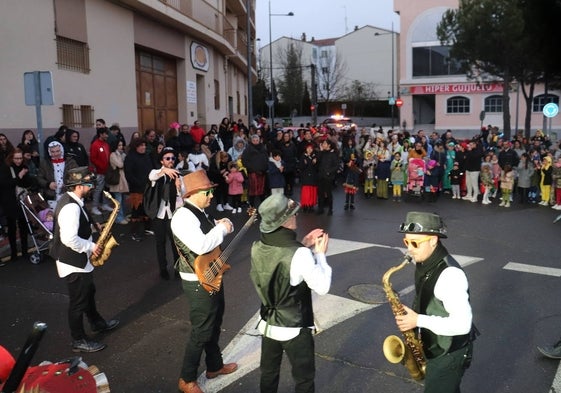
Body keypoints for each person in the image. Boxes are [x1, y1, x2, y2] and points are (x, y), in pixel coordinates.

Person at [249, 193, 331, 393]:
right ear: (284, 221)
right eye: (293, 213)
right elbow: (322, 286)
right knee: (304, 379)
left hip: (268, 323)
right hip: (294, 326)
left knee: (268, 374)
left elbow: (279, 265)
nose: (297, 216)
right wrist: (320, 254)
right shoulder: (299, 254)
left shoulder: (258, 246)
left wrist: (302, 243)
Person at [171, 170, 237, 393]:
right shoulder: (183, 216)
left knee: (214, 322)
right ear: (194, 193)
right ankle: (186, 379)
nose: (211, 196)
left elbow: (211, 235)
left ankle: (214, 366)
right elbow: (201, 246)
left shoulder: (198, 211)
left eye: (211, 191)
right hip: (197, 280)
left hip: (211, 275)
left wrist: (220, 225)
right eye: (207, 192)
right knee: (201, 330)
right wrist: (221, 228)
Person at [396, 211, 475, 393]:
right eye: (406, 242)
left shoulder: (450, 275)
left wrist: (418, 321)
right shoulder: (426, 261)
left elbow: (463, 325)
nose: (409, 249)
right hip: (436, 345)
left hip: (449, 353)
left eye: (415, 243)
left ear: (433, 240)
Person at [50, 167, 119, 353]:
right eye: (89, 184)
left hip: (79, 259)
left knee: (88, 292)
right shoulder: (71, 207)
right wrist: (92, 247)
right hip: (73, 261)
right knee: (78, 302)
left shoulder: (74, 200)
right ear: (79, 186)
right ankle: (78, 339)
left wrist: (92, 225)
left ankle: (96, 323)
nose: (91, 187)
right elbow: (69, 239)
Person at [147, 147, 180, 280]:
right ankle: (163, 269)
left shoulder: (178, 175)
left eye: (172, 158)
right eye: (167, 158)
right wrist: (164, 170)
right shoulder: (157, 172)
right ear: (162, 161)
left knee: (175, 243)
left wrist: (179, 188)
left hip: (173, 214)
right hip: (159, 214)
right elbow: (151, 176)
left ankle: (178, 268)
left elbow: (182, 197)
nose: (171, 160)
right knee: (160, 243)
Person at [0, 148, 35, 261]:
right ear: (11, 158)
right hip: (10, 201)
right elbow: (5, 184)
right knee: (11, 227)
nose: (19, 161)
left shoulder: (23, 167)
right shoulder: (6, 168)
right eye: (16, 158)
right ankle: (14, 253)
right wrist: (19, 176)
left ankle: (24, 251)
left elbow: (27, 183)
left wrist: (26, 175)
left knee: (24, 225)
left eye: (20, 158)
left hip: (21, 200)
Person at [37, 141, 78, 207]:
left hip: (68, 194)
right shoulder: (44, 163)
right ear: (49, 152)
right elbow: (39, 178)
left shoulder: (71, 162)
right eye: (52, 152)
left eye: (57, 151)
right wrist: (48, 184)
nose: (55, 154)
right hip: (51, 196)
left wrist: (68, 184)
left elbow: (77, 175)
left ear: (61, 150)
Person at [89, 127, 113, 216]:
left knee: (104, 189)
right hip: (99, 171)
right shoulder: (95, 145)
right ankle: (94, 206)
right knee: (98, 189)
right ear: (101, 134)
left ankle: (104, 204)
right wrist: (101, 166)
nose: (107, 136)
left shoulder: (106, 144)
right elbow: (93, 158)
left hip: (106, 171)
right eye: (106, 134)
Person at [108, 139, 129, 224]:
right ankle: (118, 218)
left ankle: (123, 216)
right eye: (119, 145)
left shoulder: (122, 154)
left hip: (123, 179)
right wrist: (122, 157)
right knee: (118, 200)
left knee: (123, 199)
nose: (121, 147)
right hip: (117, 180)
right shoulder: (113, 155)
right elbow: (120, 164)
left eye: (122, 145)